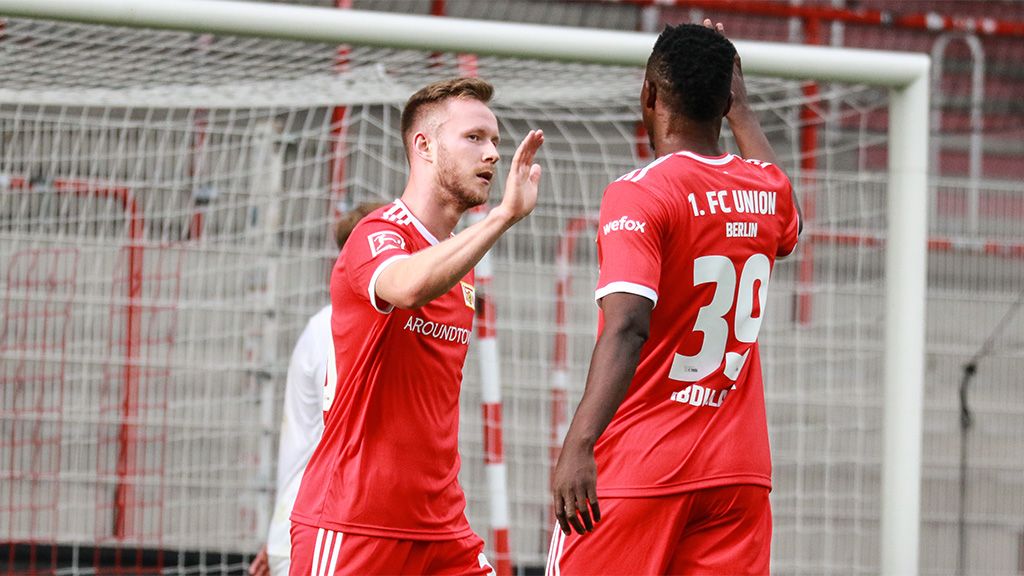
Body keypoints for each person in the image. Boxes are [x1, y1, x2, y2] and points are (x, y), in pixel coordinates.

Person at [548, 21, 801, 575]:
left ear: (649, 94)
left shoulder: (640, 193)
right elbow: (790, 220)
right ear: (727, 99)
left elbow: (629, 325)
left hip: (643, 466)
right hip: (739, 475)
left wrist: (579, 442)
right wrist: (744, 110)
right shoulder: (766, 190)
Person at [289, 77, 544, 576]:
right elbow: (406, 287)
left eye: (494, 140)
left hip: (442, 528)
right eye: (474, 138)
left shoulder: (460, 262)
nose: (492, 153)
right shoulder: (377, 234)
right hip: (353, 525)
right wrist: (502, 217)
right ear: (423, 145)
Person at [248, 203, 386, 576]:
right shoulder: (337, 328)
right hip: (325, 531)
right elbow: (345, 438)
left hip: (309, 529)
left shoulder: (326, 324)